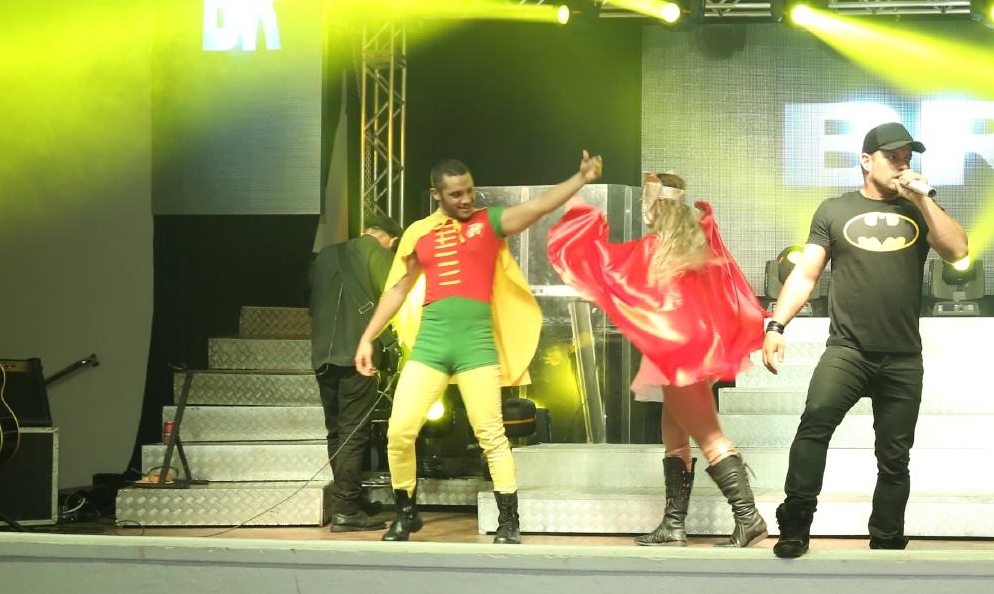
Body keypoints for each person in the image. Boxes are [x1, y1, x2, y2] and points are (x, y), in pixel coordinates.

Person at [761, 121, 970, 559]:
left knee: (894, 456)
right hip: (847, 350)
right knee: (814, 424)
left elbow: (957, 251)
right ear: (866, 161)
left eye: (906, 159)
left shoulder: (920, 209)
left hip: (902, 356)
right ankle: (795, 526)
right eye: (892, 158)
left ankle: (887, 537)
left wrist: (924, 199)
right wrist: (776, 325)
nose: (901, 165)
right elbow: (807, 273)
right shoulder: (834, 210)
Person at [357, 158, 589, 545]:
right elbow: (397, 289)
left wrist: (580, 177)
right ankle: (406, 513)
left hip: (476, 347)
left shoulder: (489, 222)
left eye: (469, 190)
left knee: (491, 435)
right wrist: (368, 337)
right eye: (456, 194)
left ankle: (509, 520)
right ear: (436, 194)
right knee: (399, 431)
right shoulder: (418, 232)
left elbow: (539, 206)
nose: (466, 199)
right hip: (431, 346)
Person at [545, 157, 770, 548]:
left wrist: (580, 214)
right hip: (691, 352)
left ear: (656, 206)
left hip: (679, 357)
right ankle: (673, 523)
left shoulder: (656, 249)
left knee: (710, 437)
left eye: (646, 204)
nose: (643, 212)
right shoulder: (697, 244)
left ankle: (748, 517)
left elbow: (604, 267)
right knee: (675, 436)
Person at [309, 208, 399, 531]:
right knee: (353, 432)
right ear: (391, 240)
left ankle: (350, 499)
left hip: (323, 355)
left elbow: (314, 305)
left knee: (335, 432)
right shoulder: (379, 253)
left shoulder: (324, 256)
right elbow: (393, 298)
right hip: (357, 355)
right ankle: (346, 508)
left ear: (364, 230)